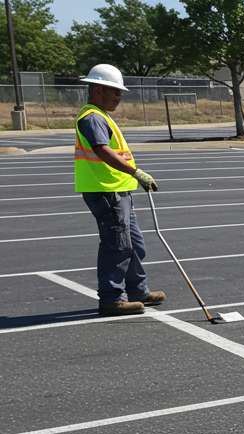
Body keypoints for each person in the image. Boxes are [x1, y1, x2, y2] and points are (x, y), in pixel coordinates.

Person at [73, 63, 162, 317]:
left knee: (134, 244)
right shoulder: (92, 117)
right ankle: (112, 299)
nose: (119, 97)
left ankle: (137, 291)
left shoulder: (101, 116)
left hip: (118, 191)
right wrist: (136, 172)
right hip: (105, 192)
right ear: (98, 90)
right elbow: (102, 150)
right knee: (117, 245)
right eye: (115, 92)